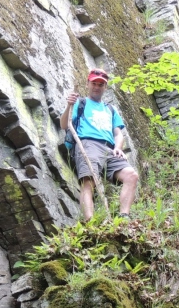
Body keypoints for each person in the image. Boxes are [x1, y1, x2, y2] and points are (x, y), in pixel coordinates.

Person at [59, 68, 139, 220]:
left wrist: (117, 147)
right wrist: (69, 105)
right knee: (89, 182)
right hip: (88, 144)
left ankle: (124, 217)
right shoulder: (80, 103)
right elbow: (64, 125)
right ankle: (90, 222)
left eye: (101, 84)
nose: (97, 87)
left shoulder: (110, 109)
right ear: (88, 84)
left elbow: (118, 133)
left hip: (109, 148)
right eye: (94, 83)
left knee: (131, 175)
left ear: (105, 87)